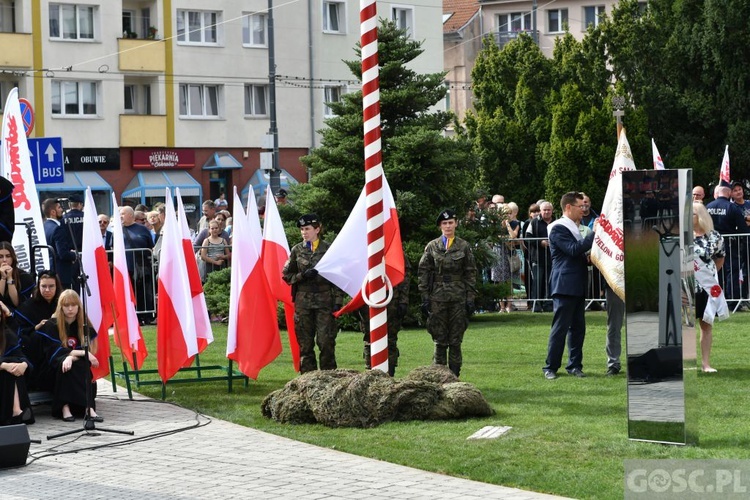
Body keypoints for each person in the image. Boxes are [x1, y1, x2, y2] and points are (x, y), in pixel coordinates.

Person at [542, 192, 595, 380]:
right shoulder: (558, 228)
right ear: (568, 207)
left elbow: (576, 253)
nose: (584, 210)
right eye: (581, 206)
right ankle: (550, 367)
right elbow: (572, 250)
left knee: (578, 328)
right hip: (564, 284)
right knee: (560, 328)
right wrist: (595, 233)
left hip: (577, 283)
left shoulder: (574, 227)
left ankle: (574, 365)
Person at [418, 209, 477, 377]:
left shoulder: (464, 246)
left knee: (456, 340)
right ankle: (439, 376)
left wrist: (470, 298)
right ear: (440, 227)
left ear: (456, 224)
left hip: (458, 298)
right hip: (437, 298)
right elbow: (423, 272)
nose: (448, 226)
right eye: (444, 223)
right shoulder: (432, 246)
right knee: (439, 340)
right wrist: (425, 297)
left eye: (451, 222)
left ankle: (455, 377)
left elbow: (471, 273)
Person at [282, 214, 342, 373]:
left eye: (307, 229)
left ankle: (329, 377)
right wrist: (302, 276)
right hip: (304, 302)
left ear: (317, 229)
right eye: (302, 229)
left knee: (326, 341)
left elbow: (337, 276)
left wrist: (338, 301)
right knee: (305, 343)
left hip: (324, 301)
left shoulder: (328, 249)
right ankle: (308, 380)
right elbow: (286, 275)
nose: (304, 232)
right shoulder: (297, 250)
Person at [33, 290, 102, 422]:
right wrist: (81, 353)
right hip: (50, 369)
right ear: (61, 307)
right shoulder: (51, 325)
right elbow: (53, 352)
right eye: (66, 305)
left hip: (75, 366)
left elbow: (90, 351)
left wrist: (70, 356)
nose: (70, 309)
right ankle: (65, 407)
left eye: (73, 305)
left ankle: (88, 408)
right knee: (64, 367)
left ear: (79, 306)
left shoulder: (84, 326)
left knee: (79, 365)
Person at [357, 254, 410, 376]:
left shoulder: (395, 251)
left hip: (391, 301)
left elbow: (404, 276)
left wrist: (403, 301)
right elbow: (355, 277)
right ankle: (369, 373)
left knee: (390, 340)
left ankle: (390, 374)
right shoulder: (362, 252)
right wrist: (357, 303)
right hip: (368, 301)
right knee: (369, 338)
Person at [694, 202, 728, 373]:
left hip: (706, 289)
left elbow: (720, 258)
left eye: (691, 214)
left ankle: (705, 363)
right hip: (685, 288)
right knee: (685, 326)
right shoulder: (681, 235)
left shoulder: (715, 237)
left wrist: (709, 275)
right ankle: (685, 363)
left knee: (706, 325)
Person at [13, 271, 62, 389]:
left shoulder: (62, 304)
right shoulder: (28, 306)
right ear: (38, 286)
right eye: (43, 286)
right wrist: (37, 327)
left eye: (51, 286)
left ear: (57, 286)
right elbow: (19, 331)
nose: (47, 290)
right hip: (36, 348)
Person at [706, 185, 744, 301]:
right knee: (731, 270)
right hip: (729, 243)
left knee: (715, 270)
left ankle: (716, 298)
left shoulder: (708, 207)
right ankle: (732, 299)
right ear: (728, 194)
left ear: (717, 193)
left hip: (712, 243)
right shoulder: (732, 207)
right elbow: (743, 228)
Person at [0, 302, 34, 426]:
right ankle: (16, 412)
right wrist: (3, 365)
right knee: (8, 366)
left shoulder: (6, 334)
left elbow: (20, 355)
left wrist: (24, 364)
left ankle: (16, 411)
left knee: (14, 366)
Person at [120, 206, 155, 325]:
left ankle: (146, 316)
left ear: (130, 215)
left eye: (123, 214)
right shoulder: (119, 230)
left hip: (142, 266)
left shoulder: (142, 229)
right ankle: (133, 317)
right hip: (126, 267)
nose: (121, 216)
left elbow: (151, 245)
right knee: (130, 292)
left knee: (144, 292)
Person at [526, 200, 555, 312]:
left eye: (549, 210)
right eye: (544, 210)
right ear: (540, 211)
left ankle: (549, 305)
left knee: (550, 282)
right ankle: (536, 305)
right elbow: (527, 238)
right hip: (538, 258)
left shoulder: (557, 222)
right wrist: (540, 243)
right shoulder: (533, 223)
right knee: (537, 283)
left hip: (553, 259)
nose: (546, 212)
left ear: (552, 211)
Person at [42, 198, 77, 289]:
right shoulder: (58, 229)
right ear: (53, 212)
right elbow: (63, 253)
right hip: (61, 274)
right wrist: (74, 255)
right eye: (59, 207)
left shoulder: (45, 226)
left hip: (50, 270)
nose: (62, 210)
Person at [0, 241, 35, 312]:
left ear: (13, 257)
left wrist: (9, 278)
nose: (4, 260)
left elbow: (17, 303)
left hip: (17, 314)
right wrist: (3, 278)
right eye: (0, 257)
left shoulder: (24, 277)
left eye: (8, 256)